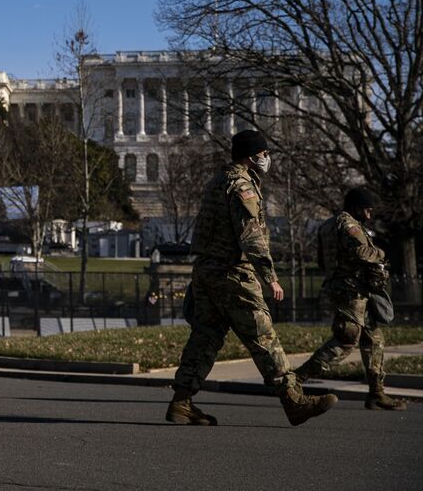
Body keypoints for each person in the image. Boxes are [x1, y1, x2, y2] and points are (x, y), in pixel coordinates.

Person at [167, 129, 336, 427]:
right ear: (252, 155)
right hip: (233, 274)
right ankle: (294, 401)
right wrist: (269, 276)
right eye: (265, 153)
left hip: (206, 272)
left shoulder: (217, 180)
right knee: (263, 336)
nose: (267, 159)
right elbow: (250, 234)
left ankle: (182, 401)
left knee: (204, 338)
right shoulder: (242, 185)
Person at [296, 188, 407, 411]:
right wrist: (382, 254)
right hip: (351, 292)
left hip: (347, 289)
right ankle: (295, 380)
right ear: (356, 207)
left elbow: (320, 260)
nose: (369, 215)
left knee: (373, 340)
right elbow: (362, 253)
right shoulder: (349, 225)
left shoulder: (327, 225)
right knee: (346, 340)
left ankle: (377, 394)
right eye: (367, 210)